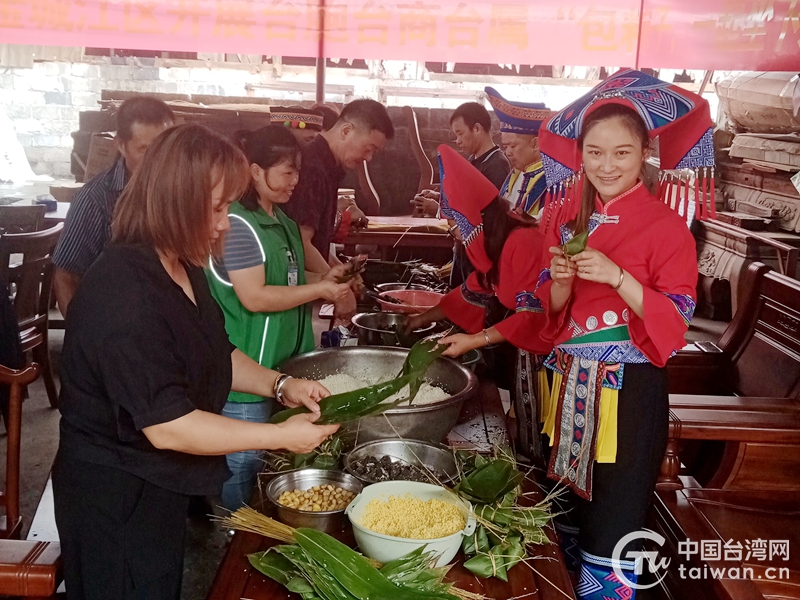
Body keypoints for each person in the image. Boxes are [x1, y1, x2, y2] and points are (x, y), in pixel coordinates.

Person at [53, 124, 339, 600]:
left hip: (160, 481)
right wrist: (280, 436)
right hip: (115, 493)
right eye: (217, 208)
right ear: (175, 202)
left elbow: (215, 350)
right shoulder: (125, 293)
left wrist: (280, 385)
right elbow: (169, 426)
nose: (226, 222)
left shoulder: (184, 264)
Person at [534, 69, 714, 598]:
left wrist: (618, 278)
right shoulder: (568, 218)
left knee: (615, 514)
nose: (606, 165)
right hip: (568, 385)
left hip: (629, 392)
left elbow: (675, 322)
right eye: (594, 153)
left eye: (621, 153)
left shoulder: (667, 227)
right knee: (568, 509)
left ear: (644, 154)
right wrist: (561, 283)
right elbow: (552, 313)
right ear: (580, 155)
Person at [206, 125, 353, 510]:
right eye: (287, 172)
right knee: (243, 463)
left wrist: (328, 279)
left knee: (266, 462)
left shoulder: (283, 223)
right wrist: (319, 291)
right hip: (248, 375)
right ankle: (234, 533)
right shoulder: (238, 224)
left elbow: (288, 281)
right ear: (255, 171)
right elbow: (255, 296)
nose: (295, 181)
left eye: (297, 171)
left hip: (283, 372)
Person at [406, 145, 552, 458]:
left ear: (476, 219)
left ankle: (538, 477)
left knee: (541, 430)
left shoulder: (522, 242)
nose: (456, 234)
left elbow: (532, 315)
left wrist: (474, 340)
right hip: (524, 346)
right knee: (522, 422)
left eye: (457, 226)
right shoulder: (496, 238)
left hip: (546, 352)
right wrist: (421, 318)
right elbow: (473, 291)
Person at [52, 96, 175, 315]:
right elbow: (66, 276)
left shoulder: (182, 192)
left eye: (164, 148)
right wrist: (80, 330)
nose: (157, 160)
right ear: (120, 145)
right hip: (114, 322)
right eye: (145, 149)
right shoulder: (94, 199)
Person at [283, 99, 393, 319]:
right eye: (368, 148)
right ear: (346, 131)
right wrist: (338, 290)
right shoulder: (313, 169)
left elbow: (318, 242)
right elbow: (301, 242)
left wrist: (344, 275)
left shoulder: (328, 166)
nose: (368, 158)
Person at [412, 101, 511, 218]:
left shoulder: (497, 166)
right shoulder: (473, 160)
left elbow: (486, 216)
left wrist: (439, 210)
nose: (458, 141)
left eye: (460, 133)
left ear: (477, 129)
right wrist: (438, 197)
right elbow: (466, 200)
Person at [485, 87, 553, 219]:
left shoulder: (553, 183)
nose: (508, 152)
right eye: (505, 146)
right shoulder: (515, 174)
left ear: (535, 144)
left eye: (513, 146)